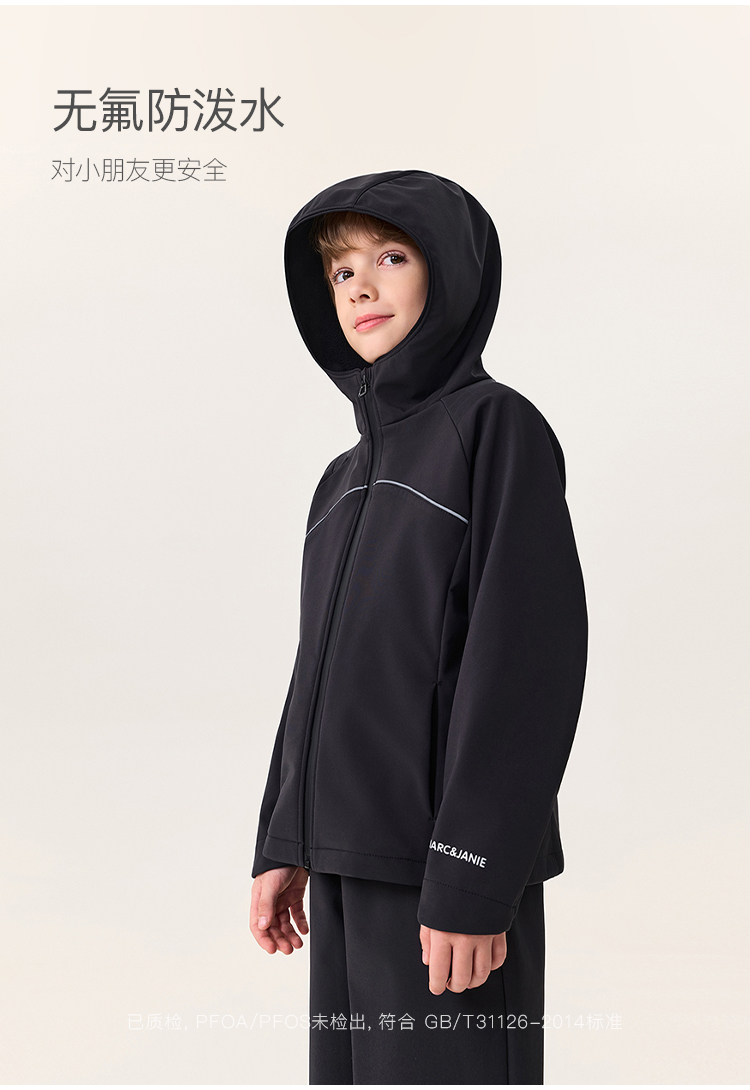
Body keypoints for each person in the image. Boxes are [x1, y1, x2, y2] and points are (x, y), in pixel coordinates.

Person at [248, 169, 588, 1085]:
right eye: (341, 271)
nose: (360, 286)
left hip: (443, 873)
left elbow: (525, 666)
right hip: (344, 862)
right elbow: (317, 672)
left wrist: (475, 875)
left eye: (390, 258)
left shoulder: (496, 429)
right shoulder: (341, 479)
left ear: (451, 273)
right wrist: (282, 839)